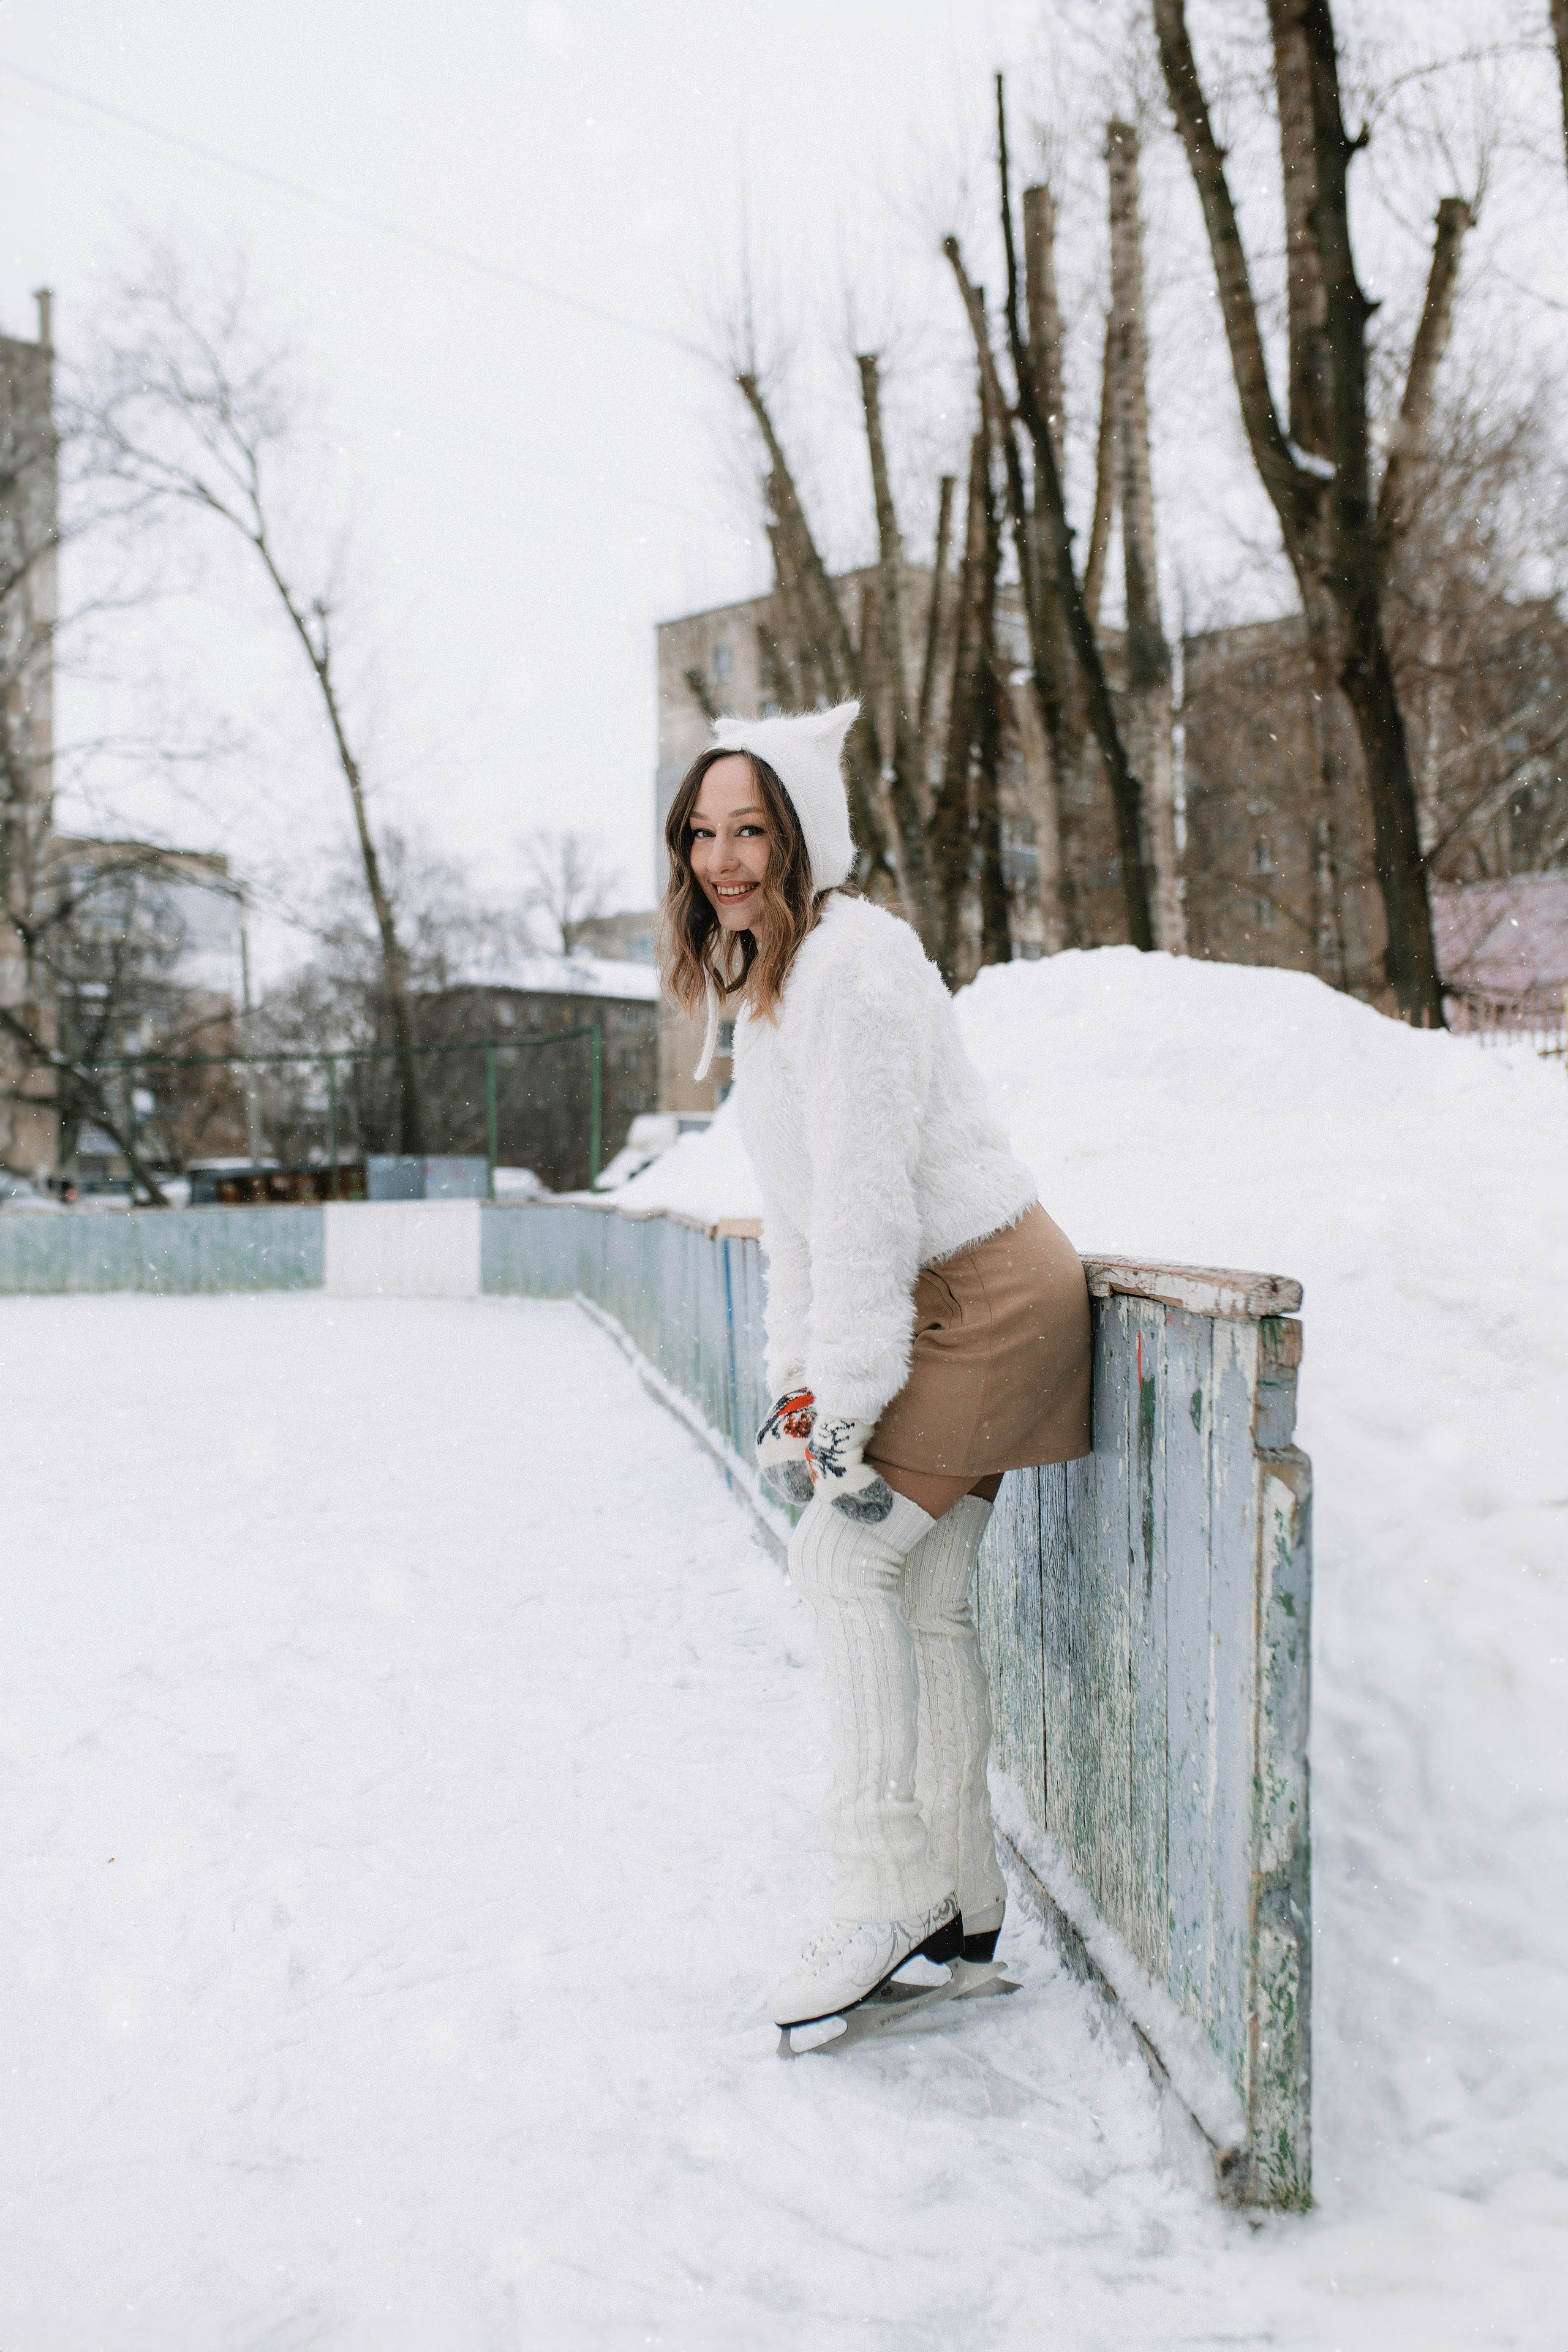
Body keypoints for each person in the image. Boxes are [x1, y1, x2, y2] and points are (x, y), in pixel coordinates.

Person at [658, 699, 1092, 2034]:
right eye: (701, 834)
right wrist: (806, 1393)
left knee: (837, 1559)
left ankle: (883, 1885)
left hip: (982, 1296)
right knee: (927, 1598)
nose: (724, 858)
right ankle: (961, 1907)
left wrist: (843, 1403)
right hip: (937, 1295)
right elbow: (796, 1222)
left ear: (802, 836)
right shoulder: (771, 985)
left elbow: (864, 1211)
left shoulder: (853, 969)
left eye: (750, 829)